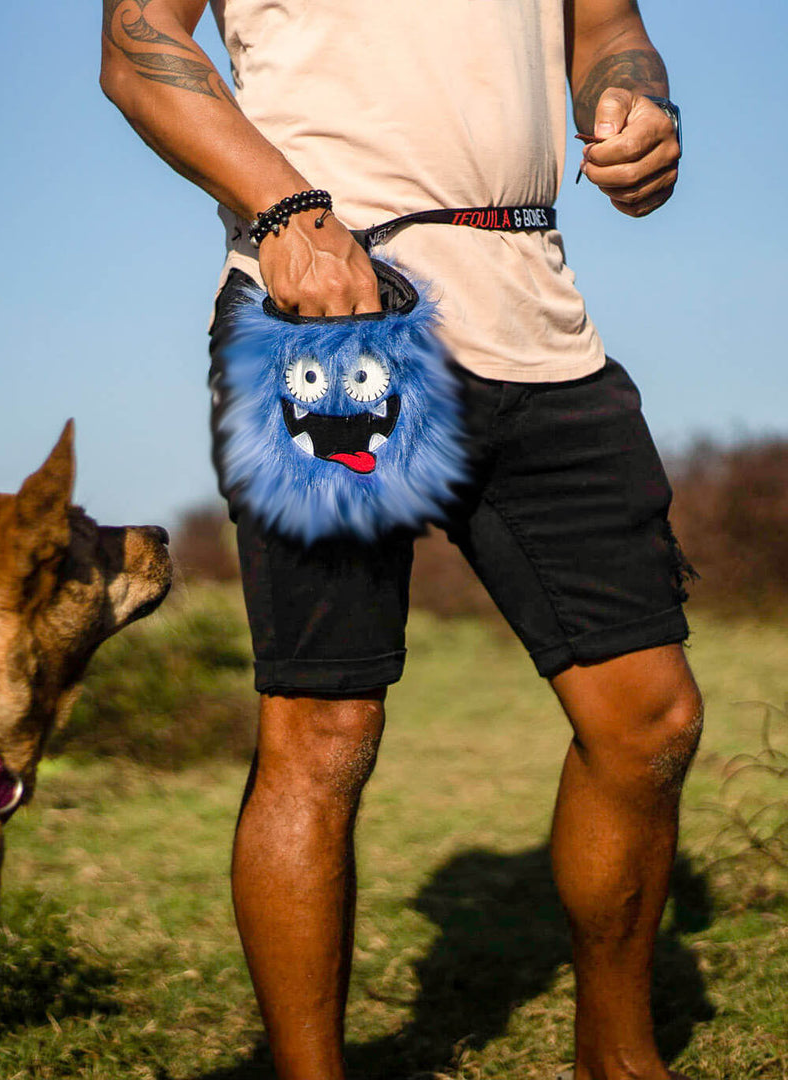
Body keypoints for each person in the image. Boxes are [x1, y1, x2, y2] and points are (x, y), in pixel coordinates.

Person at [100, 3, 701, 1079]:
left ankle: (621, 1059)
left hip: (536, 305)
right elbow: (138, 48)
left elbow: (609, 23)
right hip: (323, 315)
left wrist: (639, 97)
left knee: (649, 720)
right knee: (324, 730)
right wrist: (282, 211)